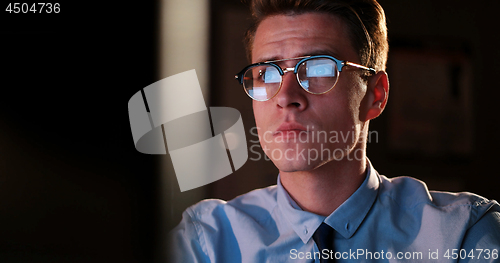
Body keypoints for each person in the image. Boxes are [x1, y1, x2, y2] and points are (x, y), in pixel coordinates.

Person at [168, 0, 500, 262]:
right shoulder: (205, 243)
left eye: (317, 69)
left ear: (375, 95)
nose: (285, 97)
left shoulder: (462, 237)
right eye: (267, 73)